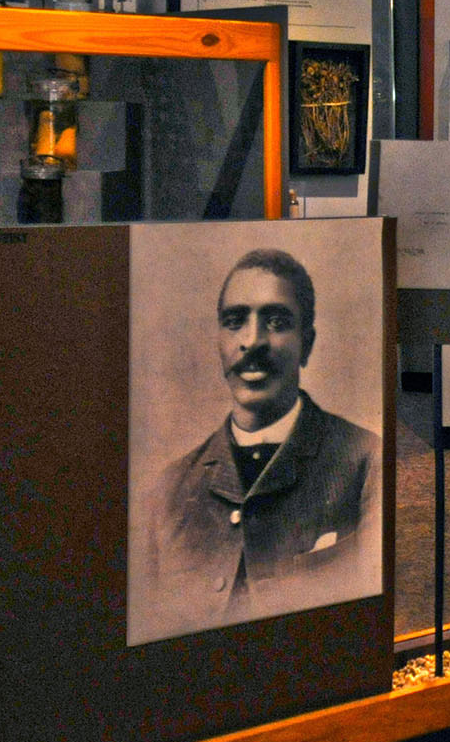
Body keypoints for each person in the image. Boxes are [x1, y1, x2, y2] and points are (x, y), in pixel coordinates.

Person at [133, 248, 380, 642]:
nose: (252, 341)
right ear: (219, 342)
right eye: (235, 322)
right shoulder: (167, 492)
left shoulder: (365, 462)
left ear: (307, 343)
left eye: (277, 322)